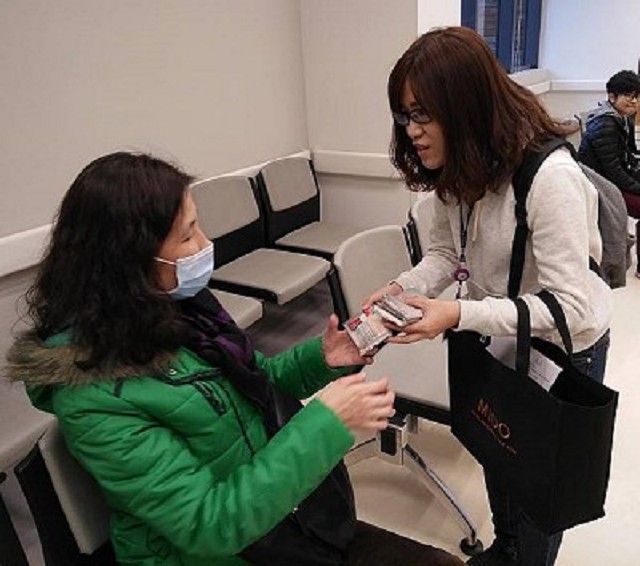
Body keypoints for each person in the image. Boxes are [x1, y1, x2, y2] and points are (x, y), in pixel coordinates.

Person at [6, 152, 464, 566]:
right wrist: (326, 423)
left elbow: (257, 382)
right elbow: (208, 527)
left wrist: (324, 359)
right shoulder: (94, 397)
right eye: (188, 235)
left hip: (284, 519)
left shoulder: (181, 312)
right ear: (129, 261)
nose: (205, 245)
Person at [364, 27, 613, 566]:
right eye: (404, 116)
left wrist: (457, 312)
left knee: (540, 490)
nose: (412, 131)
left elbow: (572, 307)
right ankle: (505, 549)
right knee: (498, 454)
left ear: (466, 107)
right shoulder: (458, 169)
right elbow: (444, 254)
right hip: (499, 338)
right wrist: (401, 290)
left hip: (563, 348)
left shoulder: (550, 179)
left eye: (422, 114)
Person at [578, 69, 640, 276]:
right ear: (612, 97)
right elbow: (614, 173)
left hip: (610, 181)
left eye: (636, 96)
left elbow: (628, 158)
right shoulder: (605, 124)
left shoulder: (622, 119)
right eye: (628, 96)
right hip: (599, 187)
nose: (633, 101)